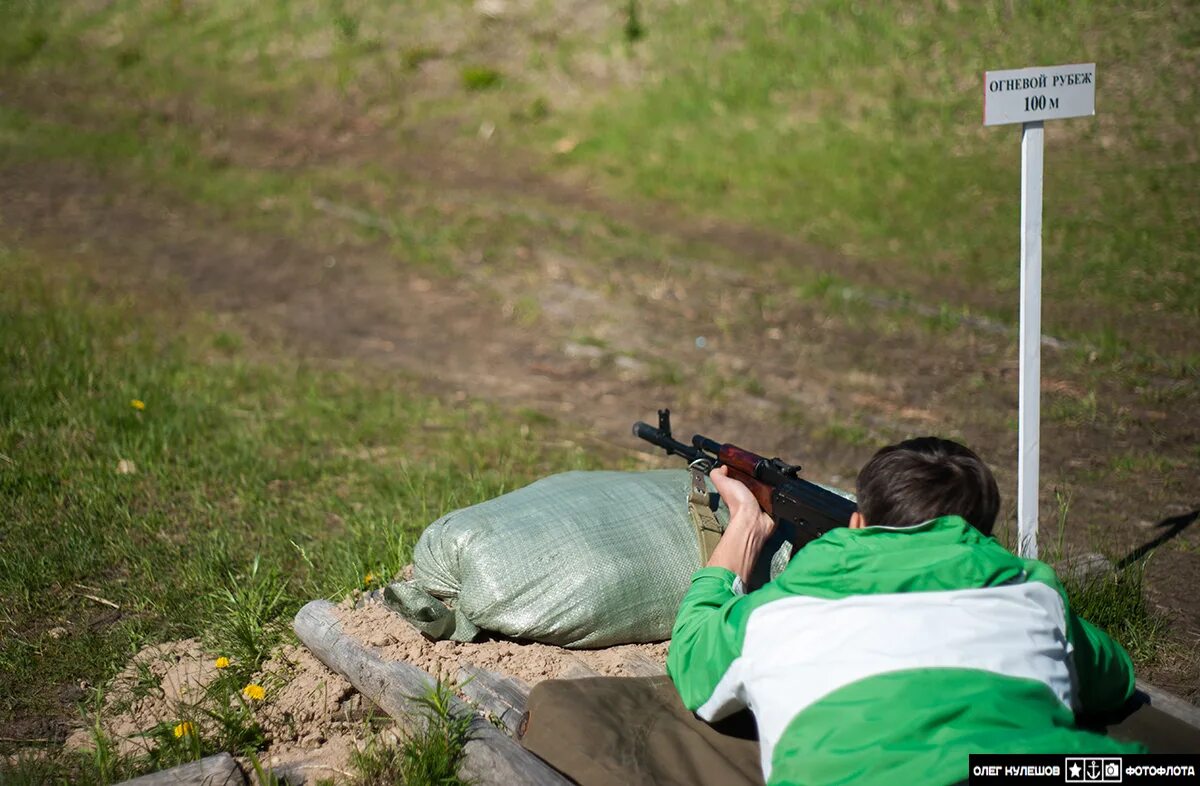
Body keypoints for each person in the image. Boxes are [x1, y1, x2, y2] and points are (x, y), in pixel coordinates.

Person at [668, 436, 1142, 786]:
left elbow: (691, 657)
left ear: (857, 523)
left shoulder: (776, 612)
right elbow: (1116, 678)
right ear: (983, 533)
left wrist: (745, 524)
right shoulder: (1033, 595)